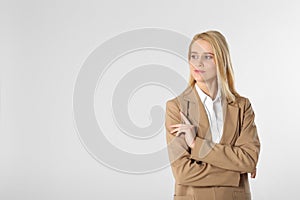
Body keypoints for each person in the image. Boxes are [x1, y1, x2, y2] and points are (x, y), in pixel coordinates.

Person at [165, 30, 260, 200]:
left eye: (207, 57)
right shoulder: (176, 108)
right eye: (194, 56)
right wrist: (236, 173)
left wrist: (196, 143)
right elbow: (183, 173)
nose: (198, 63)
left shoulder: (242, 106)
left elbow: (249, 160)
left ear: (221, 61)